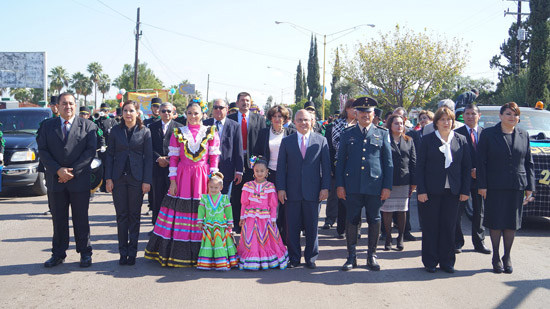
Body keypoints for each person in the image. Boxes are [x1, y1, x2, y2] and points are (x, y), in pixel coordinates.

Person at [145, 99, 220, 267]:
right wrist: (172, 181)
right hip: (183, 176)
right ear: (185, 115)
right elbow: (174, 159)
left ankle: (205, 252)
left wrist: (214, 177)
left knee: (202, 211)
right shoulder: (178, 132)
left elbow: (214, 157)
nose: (193, 116)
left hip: (202, 177)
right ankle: (179, 252)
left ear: (202, 115)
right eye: (190, 113)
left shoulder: (210, 131)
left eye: (196, 113)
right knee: (180, 213)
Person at [37, 92, 97, 268]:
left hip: (79, 180)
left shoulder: (88, 126)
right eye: (64, 103)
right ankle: (58, 253)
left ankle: (85, 253)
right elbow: (43, 151)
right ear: (58, 106)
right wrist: (58, 170)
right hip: (56, 181)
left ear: (75, 105)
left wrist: (72, 172)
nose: (68, 107)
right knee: (58, 219)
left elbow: (90, 152)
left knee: (81, 219)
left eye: (71, 103)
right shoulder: (47, 126)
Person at [336, 97, 393, 271]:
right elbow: (340, 162)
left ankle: (371, 256)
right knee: (352, 220)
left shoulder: (382, 133)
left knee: (374, 219)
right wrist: (340, 185)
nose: (365, 115)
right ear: (356, 113)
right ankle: (351, 257)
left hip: (374, 185)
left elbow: (388, 162)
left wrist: (387, 186)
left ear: (373, 114)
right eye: (361, 112)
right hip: (352, 184)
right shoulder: (347, 133)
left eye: (368, 112)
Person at [477, 102, 535, 274]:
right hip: (494, 186)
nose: (512, 117)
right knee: (495, 222)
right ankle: (495, 256)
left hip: (516, 185)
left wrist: (530, 186)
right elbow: (481, 162)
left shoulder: (524, 135)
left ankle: (507, 256)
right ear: (501, 116)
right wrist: (482, 185)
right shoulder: (488, 134)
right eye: (508, 114)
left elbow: (528, 162)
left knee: (511, 223)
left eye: (515, 115)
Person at [416, 107, 471, 274]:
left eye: (449, 119)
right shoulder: (427, 140)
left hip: (453, 191)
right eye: (443, 120)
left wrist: (465, 190)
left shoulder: (461, 140)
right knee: (431, 226)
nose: (446, 123)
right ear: (436, 122)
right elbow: (420, 168)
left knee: (449, 226)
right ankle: (430, 260)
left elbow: (466, 168)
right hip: (431, 191)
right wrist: (421, 191)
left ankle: (447, 261)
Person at [276, 110, 331, 269]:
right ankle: (294, 258)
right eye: (299, 120)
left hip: (314, 192)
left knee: (312, 227)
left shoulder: (321, 141)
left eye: (306, 120)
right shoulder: (287, 141)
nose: (303, 123)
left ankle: (311, 258)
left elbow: (326, 168)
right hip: (292, 191)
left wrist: (325, 187)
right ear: (294, 121)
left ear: (312, 121)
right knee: (292, 227)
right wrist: (281, 188)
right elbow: (281, 168)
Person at [105, 100, 152, 265]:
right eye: (125, 110)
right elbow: (109, 155)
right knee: (121, 216)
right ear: (121, 113)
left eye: (131, 110)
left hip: (136, 179)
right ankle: (122, 253)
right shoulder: (115, 131)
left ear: (137, 113)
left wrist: (147, 181)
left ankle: (132, 253)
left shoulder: (144, 132)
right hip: (118, 178)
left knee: (134, 216)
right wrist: (108, 178)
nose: (128, 113)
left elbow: (148, 159)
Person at [253, 105, 295, 243]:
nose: (277, 119)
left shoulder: (291, 132)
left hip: (287, 175)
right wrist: (258, 168)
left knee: (285, 208)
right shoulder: (264, 133)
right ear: (270, 118)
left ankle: (284, 240)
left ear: (285, 118)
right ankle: (268, 238)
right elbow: (256, 152)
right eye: (274, 116)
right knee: (269, 207)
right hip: (269, 174)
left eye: (280, 117)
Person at [238, 157, 289, 270]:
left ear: (267, 172)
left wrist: (273, 219)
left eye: (262, 171)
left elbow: (273, 205)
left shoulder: (270, 186)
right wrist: (242, 217)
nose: (259, 173)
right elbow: (244, 203)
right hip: (250, 218)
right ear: (253, 171)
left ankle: (267, 259)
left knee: (266, 238)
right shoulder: (248, 186)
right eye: (257, 171)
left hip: (265, 219)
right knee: (251, 238)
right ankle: (252, 259)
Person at [454, 104, 491, 255]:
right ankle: (457, 242)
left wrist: (480, 172)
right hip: (462, 179)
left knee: (479, 212)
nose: (470, 116)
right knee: (458, 212)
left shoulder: (486, 134)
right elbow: (454, 157)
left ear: (479, 116)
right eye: (467, 114)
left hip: (480, 180)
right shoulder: (456, 133)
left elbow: (491, 157)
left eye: (473, 114)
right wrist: (468, 171)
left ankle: (479, 242)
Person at [227, 92, 266, 233]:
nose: (245, 103)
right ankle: (236, 222)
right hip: (234, 159)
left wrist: (257, 161)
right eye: (242, 101)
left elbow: (261, 140)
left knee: (250, 192)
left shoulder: (259, 119)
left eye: (248, 101)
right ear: (237, 103)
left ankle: (249, 222)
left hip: (252, 160)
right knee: (236, 192)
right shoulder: (230, 118)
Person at [381, 114, 416, 251]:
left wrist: (414, 182)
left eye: (401, 123)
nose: (399, 126)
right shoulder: (384, 140)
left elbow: (413, 162)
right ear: (390, 125)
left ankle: (400, 237)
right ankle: (388, 237)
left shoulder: (409, 140)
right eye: (396, 123)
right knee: (387, 211)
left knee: (402, 211)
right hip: (388, 181)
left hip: (404, 180)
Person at [324, 98, 357, 238]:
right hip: (342, 163)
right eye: (351, 108)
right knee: (340, 196)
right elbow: (336, 143)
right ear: (346, 109)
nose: (354, 111)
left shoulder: (362, 123)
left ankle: (356, 228)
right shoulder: (339, 123)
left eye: (357, 108)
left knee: (356, 197)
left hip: (357, 166)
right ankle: (340, 227)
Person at [196, 172, 238, 270]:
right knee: (208, 243)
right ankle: (207, 263)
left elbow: (228, 211)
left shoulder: (224, 198)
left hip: (221, 225)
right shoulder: (204, 198)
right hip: (208, 225)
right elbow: (201, 211)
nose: (213, 190)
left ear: (221, 187)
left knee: (220, 242)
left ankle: (221, 263)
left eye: (216, 187)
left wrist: (230, 222)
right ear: (208, 186)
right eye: (211, 187)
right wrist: (200, 221)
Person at [148, 102, 179, 229]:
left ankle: (172, 228)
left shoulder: (179, 128)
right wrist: (158, 158)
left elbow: (181, 149)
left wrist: (169, 159)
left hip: (174, 169)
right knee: (157, 198)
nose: (166, 113)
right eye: (164, 111)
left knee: (173, 199)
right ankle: (157, 227)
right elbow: (148, 146)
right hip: (157, 169)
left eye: (169, 111)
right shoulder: (151, 127)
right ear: (159, 112)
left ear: (173, 113)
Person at [203, 99, 243, 195]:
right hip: (206, 168)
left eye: (221, 107)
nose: (218, 110)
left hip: (226, 170)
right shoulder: (204, 124)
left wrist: (239, 171)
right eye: (215, 107)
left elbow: (238, 150)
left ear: (227, 109)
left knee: (223, 200)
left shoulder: (235, 126)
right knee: (206, 198)